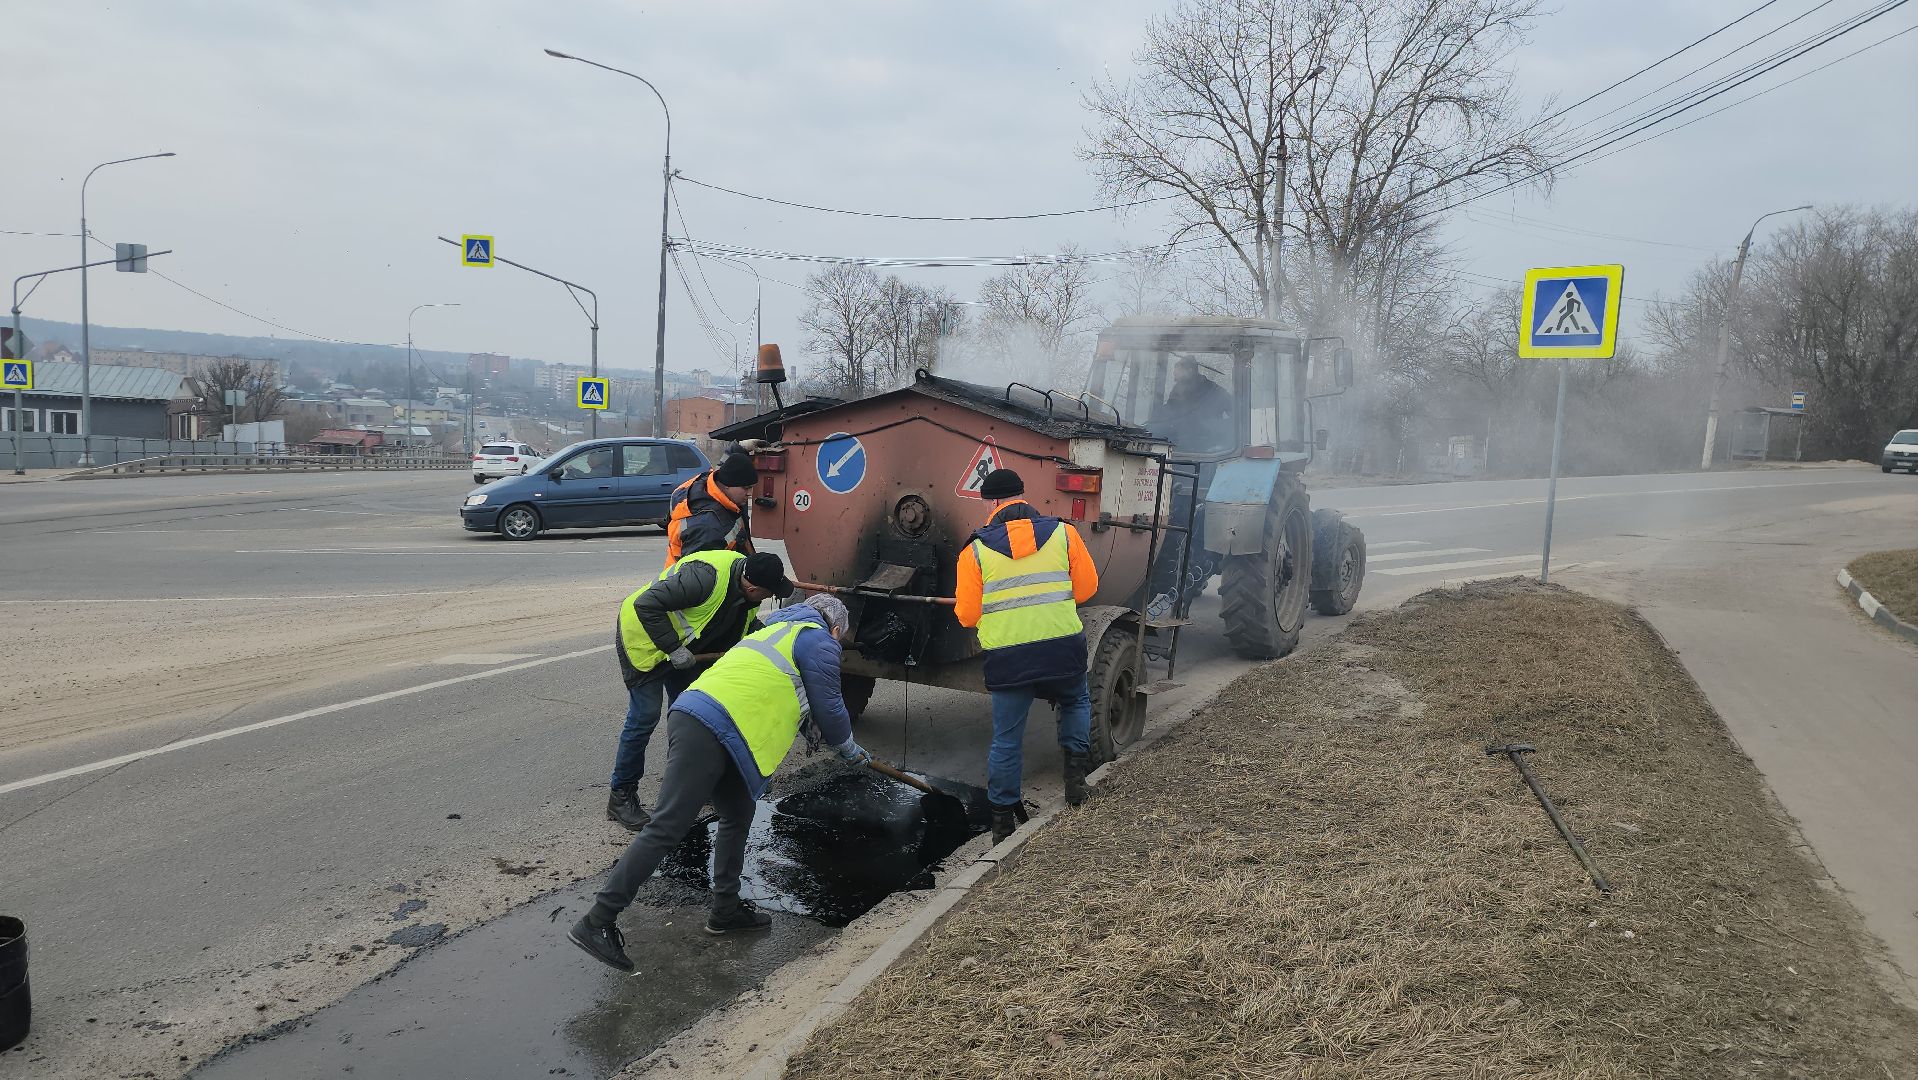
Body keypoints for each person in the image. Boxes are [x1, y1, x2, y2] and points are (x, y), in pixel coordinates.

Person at [569, 594, 871, 970]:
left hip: (716, 725)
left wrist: (811, 725)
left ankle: (726, 908)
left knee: (737, 813)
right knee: (667, 826)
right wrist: (848, 747)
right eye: (839, 639)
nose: (836, 645)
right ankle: (596, 921)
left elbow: (783, 692)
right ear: (837, 628)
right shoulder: (819, 639)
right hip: (710, 728)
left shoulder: (773, 629)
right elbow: (830, 705)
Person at [953, 468, 1101, 844]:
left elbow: (967, 616)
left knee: (1006, 738)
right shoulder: (1064, 533)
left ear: (990, 502)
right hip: (1061, 646)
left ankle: (1002, 824)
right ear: (1023, 495)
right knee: (1076, 701)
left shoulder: (974, 551)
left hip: (1009, 657)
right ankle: (1076, 786)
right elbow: (1086, 589)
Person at [607, 549, 796, 829]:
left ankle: (687, 784)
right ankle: (621, 797)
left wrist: (770, 639)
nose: (770, 598)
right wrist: (672, 647)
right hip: (645, 642)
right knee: (644, 717)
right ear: (753, 587)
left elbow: (742, 627)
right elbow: (646, 605)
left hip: (685, 651)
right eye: (769, 594)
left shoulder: (747, 589)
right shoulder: (705, 578)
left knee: (690, 713)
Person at [663, 452, 758, 570]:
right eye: (746, 488)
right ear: (727, 485)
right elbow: (697, 578)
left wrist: (737, 449)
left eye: (752, 487)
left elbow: (723, 469)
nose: (750, 494)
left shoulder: (706, 483)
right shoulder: (708, 528)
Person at [1157, 355, 1233, 451]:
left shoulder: (1214, 391)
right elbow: (1171, 409)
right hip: (1180, 442)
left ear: (1189, 370)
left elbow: (1236, 414)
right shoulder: (1178, 389)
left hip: (1207, 449)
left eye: (1177, 370)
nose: (1174, 373)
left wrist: (1217, 429)